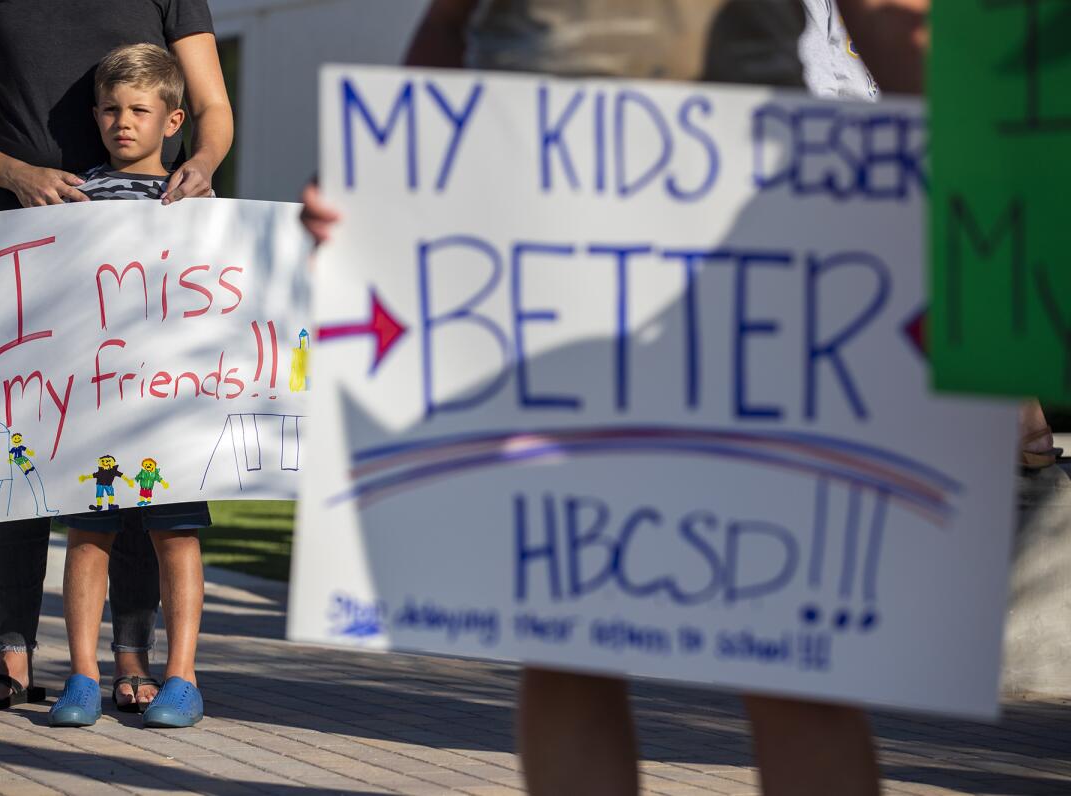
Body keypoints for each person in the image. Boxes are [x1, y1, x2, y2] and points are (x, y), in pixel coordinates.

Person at [301, 1, 927, 793]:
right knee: (569, 634)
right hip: (529, 218)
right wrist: (375, 180)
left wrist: (959, 184)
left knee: (794, 640)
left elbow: (889, 15)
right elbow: (454, 20)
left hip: (754, 217)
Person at [0, 0, 232, 713]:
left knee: (139, 468)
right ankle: (14, 657)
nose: (118, 118)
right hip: (19, 231)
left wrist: (203, 167)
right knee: (17, 455)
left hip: (147, 236)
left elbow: (212, 105)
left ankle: (131, 657)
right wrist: (19, 174)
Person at [45, 43, 210, 729]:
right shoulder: (72, 198)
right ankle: (82, 675)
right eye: (111, 109)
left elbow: (228, 298)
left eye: (139, 109)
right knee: (87, 537)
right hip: (94, 406)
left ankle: (182, 677)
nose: (123, 122)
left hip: (175, 407)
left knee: (177, 538)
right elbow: (33, 299)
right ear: (95, 115)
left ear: (172, 120)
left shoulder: (198, 202)